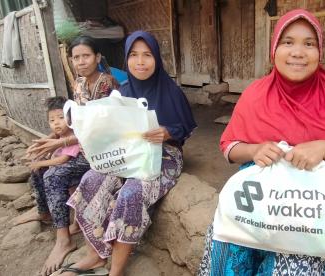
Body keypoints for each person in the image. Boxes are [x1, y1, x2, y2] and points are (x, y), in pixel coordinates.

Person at [198, 9, 325, 276]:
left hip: (312, 197)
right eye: (288, 42)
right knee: (224, 243)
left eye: (309, 44)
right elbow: (229, 147)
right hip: (260, 191)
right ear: (274, 49)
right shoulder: (255, 94)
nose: (298, 52)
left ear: (320, 51)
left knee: (296, 265)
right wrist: (254, 149)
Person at [60, 31, 197, 276]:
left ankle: (117, 269)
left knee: (131, 192)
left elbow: (185, 127)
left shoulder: (170, 91)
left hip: (164, 155)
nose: (140, 61)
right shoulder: (121, 92)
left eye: (147, 55)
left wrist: (167, 132)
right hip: (127, 153)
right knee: (91, 180)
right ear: (126, 59)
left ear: (157, 58)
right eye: (134, 55)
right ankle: (95, 255)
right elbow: (111, 131)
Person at [24, 97, 91, 276]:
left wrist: (47, 156)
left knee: (51, 175)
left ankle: (65, 241)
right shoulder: (80, 86)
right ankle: (44, 213)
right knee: (39, 168)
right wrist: (43, 147)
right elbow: (57, 139)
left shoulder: (107, 86)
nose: (56, 123)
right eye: (52, 120)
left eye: (60, 118)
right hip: (76, 151)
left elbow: (64, 158)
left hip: (91, 156)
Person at [25, 35, 118, 161]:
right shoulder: (79, 83)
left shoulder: (106, 83)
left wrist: (60, 143)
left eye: (86, 56)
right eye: (76, 58)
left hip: (107, 149)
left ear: (97, 57)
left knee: (54, 174)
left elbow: (103, 128)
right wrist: (51, 138)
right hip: (84, 146)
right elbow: (76, 121)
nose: (81, 62)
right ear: (71, 61)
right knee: (39, 162)